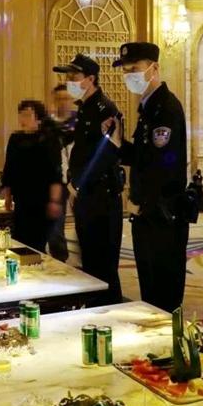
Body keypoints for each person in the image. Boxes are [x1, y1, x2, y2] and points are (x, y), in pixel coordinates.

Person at [106, 42, 190, 313]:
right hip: (148, 214)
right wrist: (118, 142)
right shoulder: (148, 108)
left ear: (154, 68)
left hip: (162, 214)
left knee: (163, 290)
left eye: (134, 69)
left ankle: (167, 336)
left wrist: (142, 201)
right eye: (125, 70)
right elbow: (145, 157)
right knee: (150, 287)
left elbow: (165, 164)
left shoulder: (165, 108)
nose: (129, 75)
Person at [53, 54, 124, 304]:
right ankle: (96, 310)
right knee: (91, 262)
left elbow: (106, 153)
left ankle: (111, 312)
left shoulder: (105, 109)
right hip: (87, 196)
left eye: (75, 76)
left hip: (102, 197)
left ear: (91, 79)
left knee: (104, 265)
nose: (70, 81)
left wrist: (77, 184)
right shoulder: (84, 108)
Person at [0, 100, 64, 252]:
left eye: (28, 115)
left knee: (37, 241)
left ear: (38, 118)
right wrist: (8, 196)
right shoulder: (15, 139)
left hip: (42, 198)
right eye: (21, 115)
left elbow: (55, 173)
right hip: (21, 198)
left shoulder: (48, 140)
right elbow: (9, 169)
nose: (23, 119)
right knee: (19, 239)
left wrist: (55, 200)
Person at [46, 84, 76, 262]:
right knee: (55, 225)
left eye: (66, 98)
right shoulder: (48, 125)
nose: (63, 102)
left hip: (78, 180)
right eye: (59, 99)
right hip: (56, 181)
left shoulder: (79, 123)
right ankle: (60, 260)